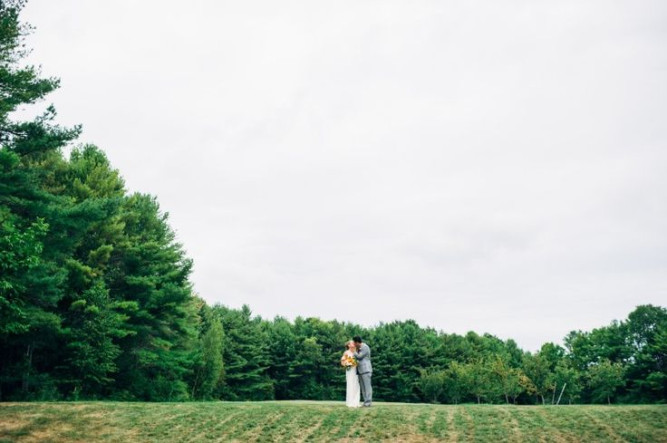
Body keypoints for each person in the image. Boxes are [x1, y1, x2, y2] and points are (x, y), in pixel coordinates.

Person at [353, 336, 372, 407]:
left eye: (354, 343)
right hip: (360, 370)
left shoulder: (365, 347)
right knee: (363, 388)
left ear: (357, 342)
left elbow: (359, 357)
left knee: (367, 387)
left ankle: (368, 402)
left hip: (366, 370)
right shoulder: (358, 348)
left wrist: (353, 351)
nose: (354, 345)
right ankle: (365, 402)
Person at [340, 340, 360, 407]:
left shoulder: (356, 352)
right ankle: (350, 403)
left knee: (356, 386)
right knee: (350, 385)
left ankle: (356, 402)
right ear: (348, 345)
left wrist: (357, 363)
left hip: (356, 371)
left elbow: (359, 361)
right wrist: (347, 365)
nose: (354, 343)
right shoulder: (346, 352)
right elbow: (342, 362)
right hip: (349, 371)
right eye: (352, 343)